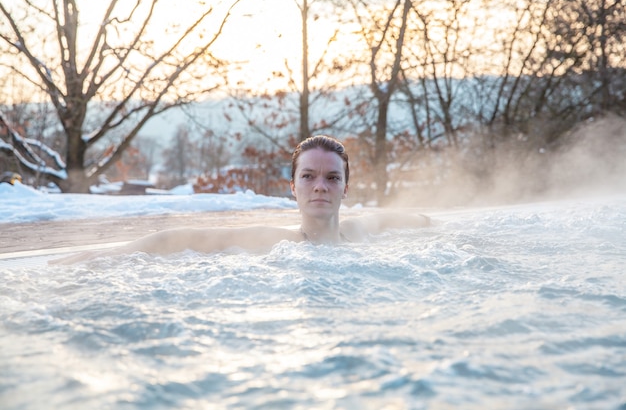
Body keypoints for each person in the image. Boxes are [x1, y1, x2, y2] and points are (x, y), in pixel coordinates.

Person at [51, 135, 429, 264]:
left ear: (346, 187)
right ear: (292, 186)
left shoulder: (357, 233)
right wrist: (103, 257)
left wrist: (432, 224)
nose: (320, 187)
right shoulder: (277, 242)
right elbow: (181, 240)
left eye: (333, 178)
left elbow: (390, 219)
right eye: (308, 176)